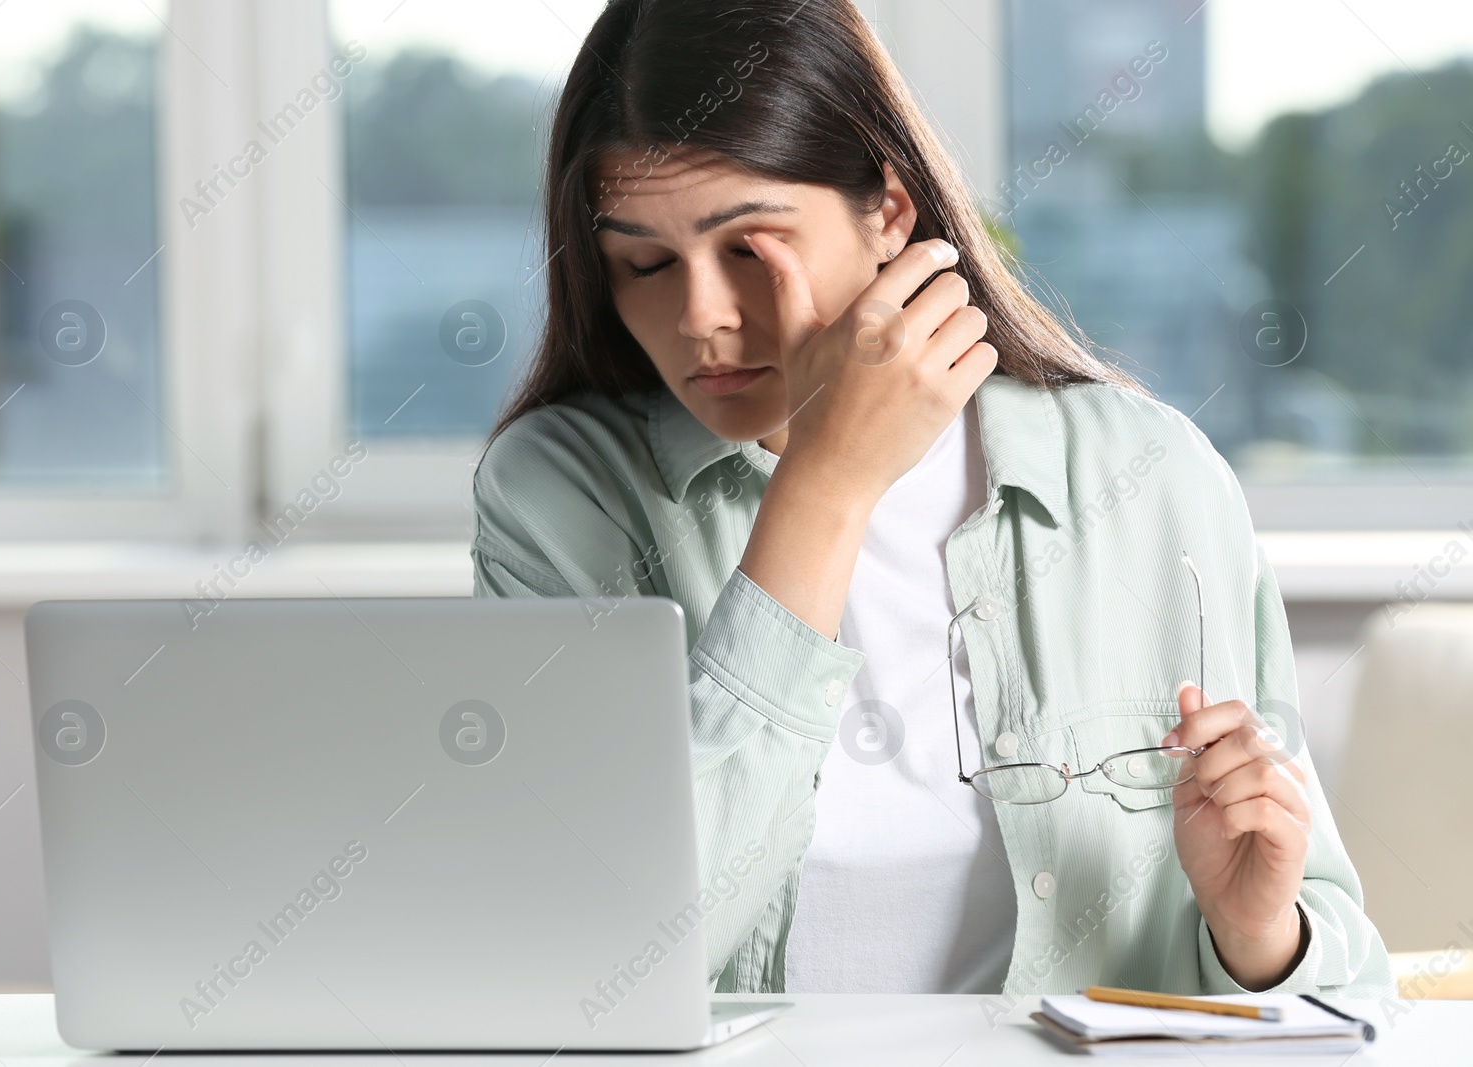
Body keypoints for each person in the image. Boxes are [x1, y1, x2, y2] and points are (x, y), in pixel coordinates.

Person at [469, 0, 1391, 1001]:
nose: (698, 315)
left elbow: (1342, 982)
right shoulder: (558, 495)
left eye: (748, 248)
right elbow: (596, 965)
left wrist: (1255, 929)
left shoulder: (1151, 479)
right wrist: (824, 485)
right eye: (643, 262)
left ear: (891, 212)